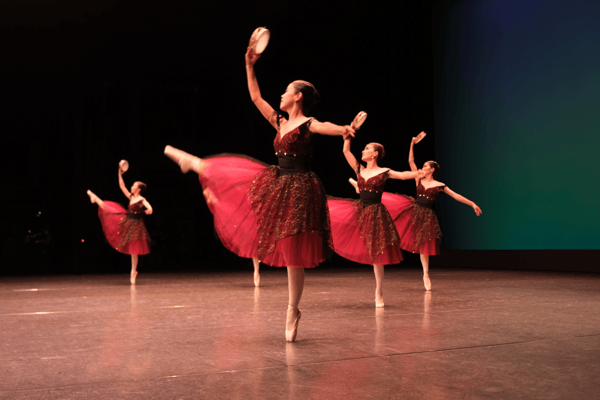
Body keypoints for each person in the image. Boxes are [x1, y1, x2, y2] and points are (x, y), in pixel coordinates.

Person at [163, 46, 356, 342]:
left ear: (298, 97)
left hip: (301, 188)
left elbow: (324, 126)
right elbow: (256, 98)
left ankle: (292, 309)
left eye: (286, 91)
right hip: (280, 182)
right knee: (242, 176)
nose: (281, 95)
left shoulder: (308, 124)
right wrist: (249, 65)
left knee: (294, 254)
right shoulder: (280, 122)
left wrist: (342, 129)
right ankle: (199, 165)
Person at [328, 137, 422, 307]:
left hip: (376, 212)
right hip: (359, 210)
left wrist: (418, 173)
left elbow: (402, 176)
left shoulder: (384, 171)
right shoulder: (359, 169)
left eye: (366, 148)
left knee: (377, 252)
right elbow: (345, 151)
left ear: (375, 154)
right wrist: (347, 136)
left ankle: (379, 291)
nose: (363, 150)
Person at [386, 135, 482, 291]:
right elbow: (411, 161)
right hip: (413, 211)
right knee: (396, 225)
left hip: (426, 216)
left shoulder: (439, 185)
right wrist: (412, 143)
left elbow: (456, 196)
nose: (422, 168)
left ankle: (425, 273)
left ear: (431, 169)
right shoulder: (418, 178)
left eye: (425, 166)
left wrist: (472, 203)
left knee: (424, 246)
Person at [87, 164, 152, 285]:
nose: (131, 187)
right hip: (127, 220)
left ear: (138, 189)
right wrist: (119, 173)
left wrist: (149, 210)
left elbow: (149, 206)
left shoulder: (141, 199)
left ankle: (133, 272)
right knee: (111, 210)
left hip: (136, 225)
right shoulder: (131, 197)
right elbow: (122, 186)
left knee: (134, 251)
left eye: (134, 185)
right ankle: (96, 199)